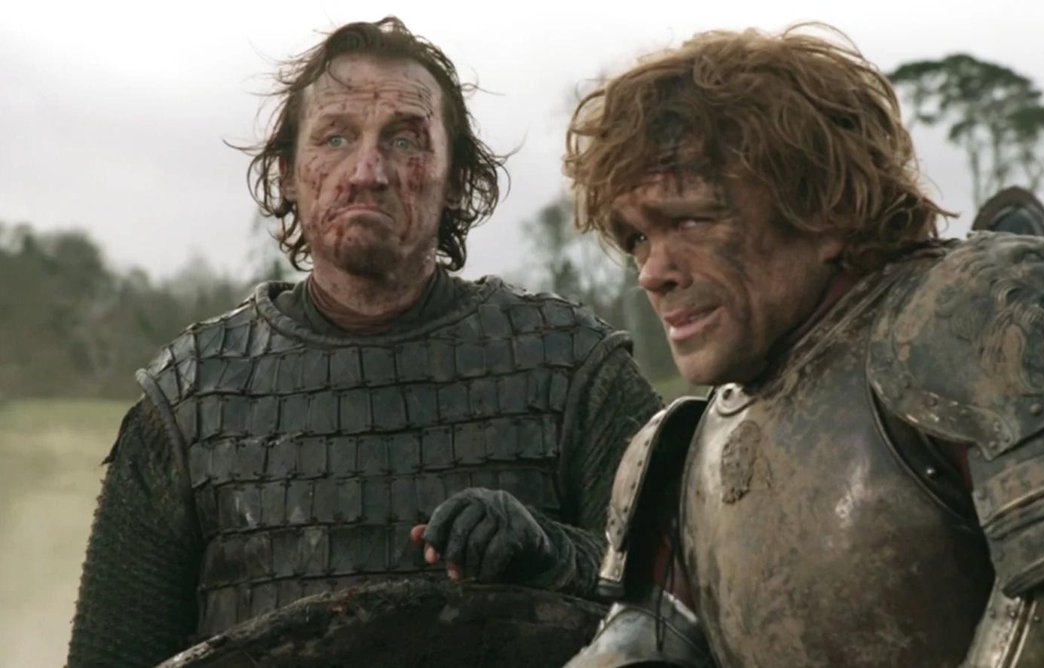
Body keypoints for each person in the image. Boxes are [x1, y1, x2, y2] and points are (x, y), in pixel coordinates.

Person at [561, 23, 1044, 667]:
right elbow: (644, 644)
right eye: (638, 238)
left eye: (690, 219)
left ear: (824, 205)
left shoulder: (983, 319)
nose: (653, 272)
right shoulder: (677, 454)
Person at [66, 17, 660, 667]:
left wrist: (555, 556)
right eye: (336, 137)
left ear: (456, 181)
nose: (367, 171)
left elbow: (680, 609)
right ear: (289, 174)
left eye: (404, 140)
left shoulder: (571, 368)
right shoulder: (191, 400)